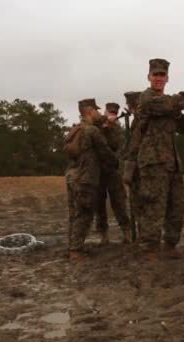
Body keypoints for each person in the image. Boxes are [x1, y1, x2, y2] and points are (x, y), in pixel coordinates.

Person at [132, 58, 184, 261]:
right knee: (154, 205)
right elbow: (170, 104)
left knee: (176, 206)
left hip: (171, 162)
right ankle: (150, 249)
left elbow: (182, 128)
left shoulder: (169, 105)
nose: (159, 78)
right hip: (153, 162)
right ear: (149, 77)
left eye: (162, 75)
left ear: (167, 78)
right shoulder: (147, 99)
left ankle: (171, 244)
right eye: (156, 75)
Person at [65, 98, 118, 261]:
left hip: (72, 175)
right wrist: (116, 162)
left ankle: (72, 246)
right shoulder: (92, 131)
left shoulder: (76, 129)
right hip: (86, 177)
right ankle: (76, 251)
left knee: (74, 213)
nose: (98, 113)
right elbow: (105, 152)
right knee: (85, 213)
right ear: (89, 111)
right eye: (95, 110)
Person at [94, 102, 131, 244]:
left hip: (113, 171)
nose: (112, 115)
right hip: (98, 170)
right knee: (99, 204)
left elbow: (117, 144)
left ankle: (126, 231)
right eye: (110, 112)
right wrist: (103, 128)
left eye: (114, 113)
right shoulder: (96, 126)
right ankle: (103, 234)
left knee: (119, 202)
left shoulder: (117, 129)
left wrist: (109, 129)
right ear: (105, 112)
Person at [122, 91, 143, 240]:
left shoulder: (139, 121)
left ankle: (144, 238)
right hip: (142, 167)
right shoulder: (139, 120)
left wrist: (128, 169)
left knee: (141, 206)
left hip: (141, 168)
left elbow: (135, 146)